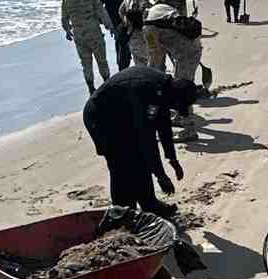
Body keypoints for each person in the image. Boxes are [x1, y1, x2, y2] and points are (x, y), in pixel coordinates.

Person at [82, 66, 198, 218]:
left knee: (139, 158)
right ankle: (122, 212)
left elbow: (164, 127)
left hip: (121, 116)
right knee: (120, 165)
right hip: (100, 117)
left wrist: (172, 158)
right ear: (174, 98)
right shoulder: (147, 90)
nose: (175, 109)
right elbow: (147, 140)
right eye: (177, 106)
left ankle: (149, 204)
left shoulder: (163, 90)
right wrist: (161, 175)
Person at [144, 3, 203, 142]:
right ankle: (179, 118)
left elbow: (155, 59)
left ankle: (189, 130)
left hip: (186, 54)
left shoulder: (148, 27)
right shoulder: (159, 8)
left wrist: (146, 79)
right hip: (192, 46)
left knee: (182, 89)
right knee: (179, 84)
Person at [61, 0, 115, 94]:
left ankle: (91, 88)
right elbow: (102, 13)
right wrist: (110, 27)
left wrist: (67, 32)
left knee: (86, 63)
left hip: (79, 35)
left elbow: (64, 19)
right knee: (102, 60)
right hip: (94, 33)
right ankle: (107, 84)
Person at [99, 0, 136, 72]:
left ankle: (121, 65)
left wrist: (103, 20)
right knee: (124, 43)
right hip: (124, 19)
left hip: (111, 20)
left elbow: (99, 3)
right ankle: (123, 68)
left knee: (119, 41)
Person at [120, 0, 159, 66]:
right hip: (140, 38)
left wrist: (126, 24)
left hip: (132, 37)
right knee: (152, 65)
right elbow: (134, 15)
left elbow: (121, 10)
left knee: (140, 67)